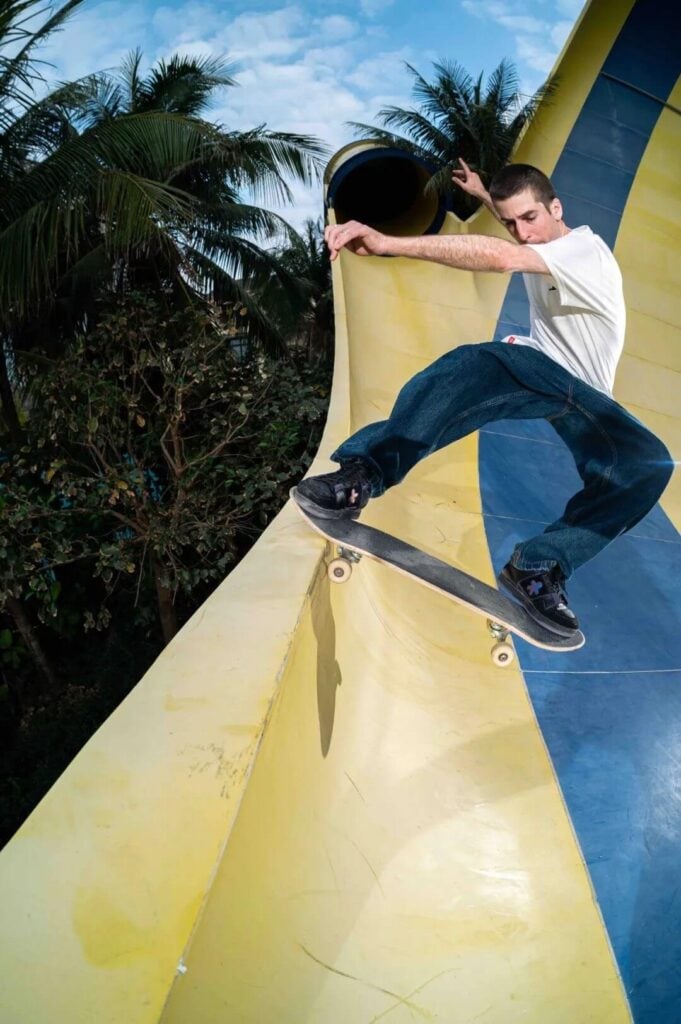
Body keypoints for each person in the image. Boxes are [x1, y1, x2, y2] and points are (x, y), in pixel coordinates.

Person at [295, 160, 673, 635]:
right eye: (512, 223)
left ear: (557, 208)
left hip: (584, 393)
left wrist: (390, 242)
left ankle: (539, 567)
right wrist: (482, 194)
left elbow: (499, 257)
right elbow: (519, 226)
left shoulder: (584, 251)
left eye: (530, 219)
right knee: (468, 367)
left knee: (648, 464)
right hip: (546, 372)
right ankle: (360, 477)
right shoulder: (541, 234)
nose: (523, 234)